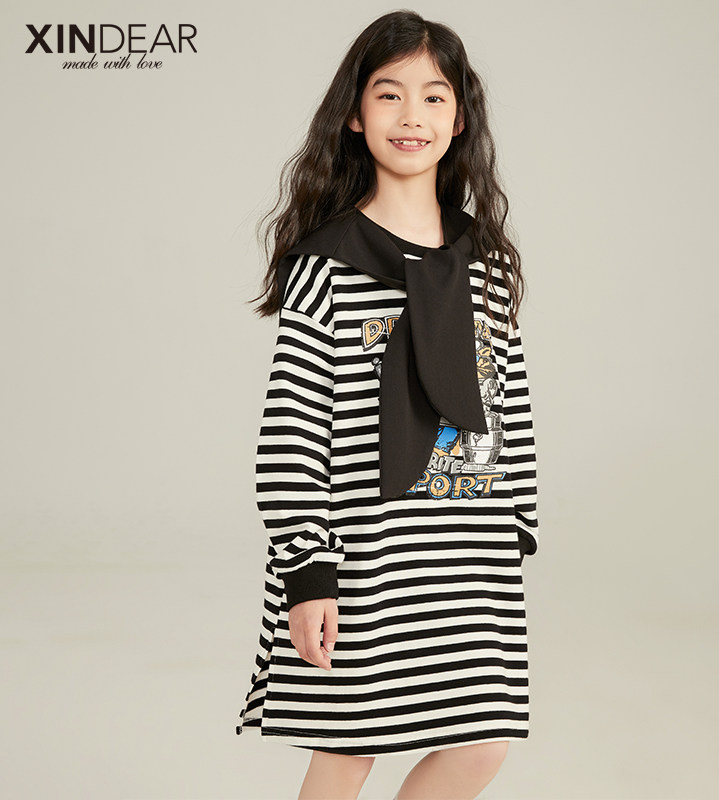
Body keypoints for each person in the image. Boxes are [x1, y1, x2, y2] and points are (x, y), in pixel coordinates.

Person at [235, 10, 539, 800]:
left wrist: (517, 523)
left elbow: (508, 399)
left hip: (470, 551)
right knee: (349, 747)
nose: (412, 116)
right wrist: (308, 570)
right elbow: (293, 427)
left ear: (459, 118)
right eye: (389, 94)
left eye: (434, 97)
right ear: (355, 113)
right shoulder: (327, 265)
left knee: (484, 742)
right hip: (365, 550)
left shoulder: (484, 261)